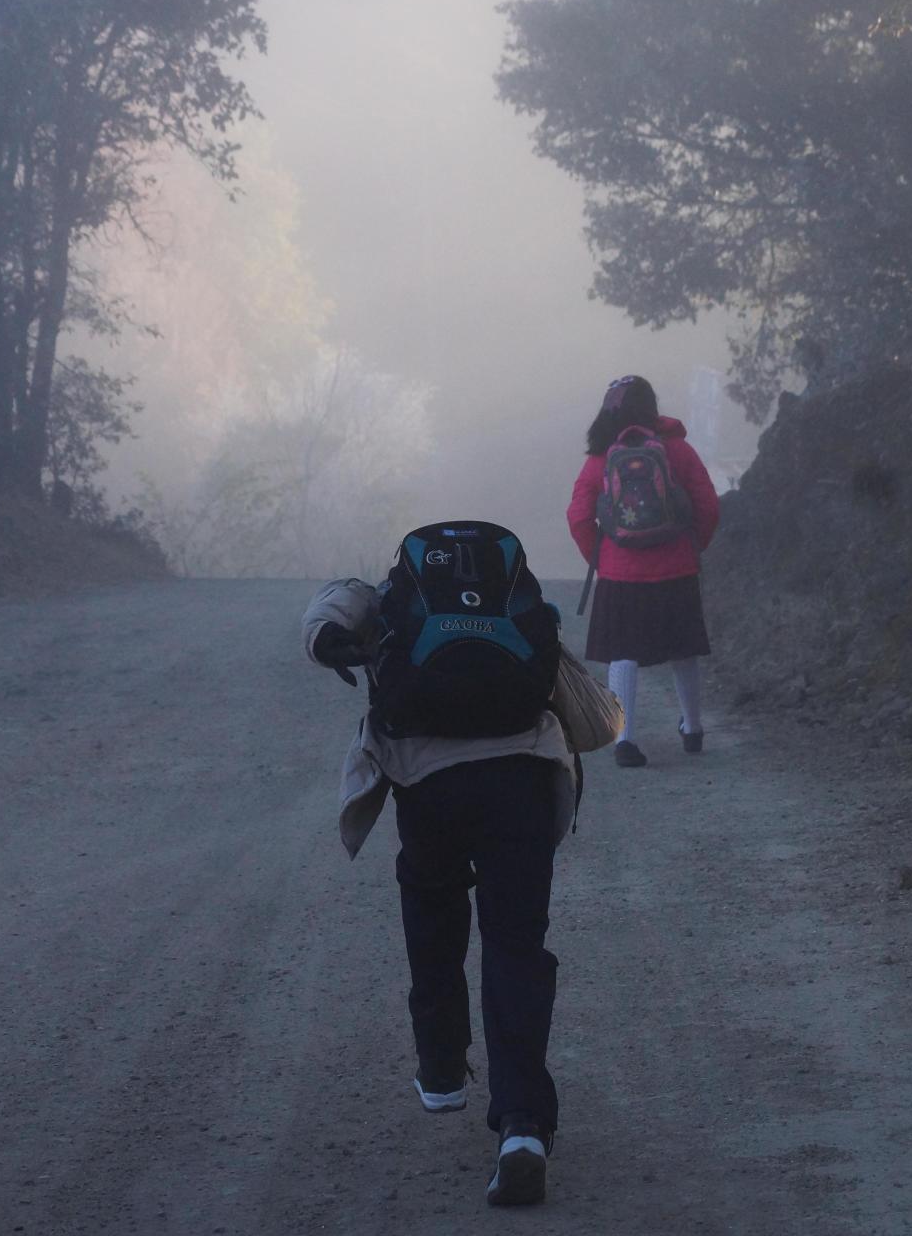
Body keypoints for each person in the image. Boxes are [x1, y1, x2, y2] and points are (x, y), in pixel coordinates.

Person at [301, 527, 617, 1207]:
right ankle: (524, 1129)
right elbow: (589, 712)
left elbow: (329, 609)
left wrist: (333, 643)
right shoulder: (518, 601)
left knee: (434, 912)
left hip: (431, 786)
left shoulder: (391, 594)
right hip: (525, 784)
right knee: (515, 948)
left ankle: (442, 1068)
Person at [567, 375, 719, 768]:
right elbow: (708, 505)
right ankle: (693, 728)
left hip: (621, 575)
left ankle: (625, 738)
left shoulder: (601, 457)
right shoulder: (678, 450)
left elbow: (579, 515)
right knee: (683, 649)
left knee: (623, 654)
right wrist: (691, 547)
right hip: (676, 569)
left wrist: (600, 560)